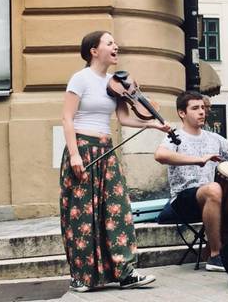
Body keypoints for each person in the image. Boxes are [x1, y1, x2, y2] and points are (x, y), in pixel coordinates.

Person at [60, 31, 168, 292]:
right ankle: (82, 277)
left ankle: (126, 272)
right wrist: (74, 154)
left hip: (106, 151)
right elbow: (67, 118)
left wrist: (152, 123)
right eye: (109, 43)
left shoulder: (115, 83)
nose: (116, 46)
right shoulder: (80, 78)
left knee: (118, 211)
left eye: (115, 43)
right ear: (94, 51)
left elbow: (124, 118)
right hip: (83, 149)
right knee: (82, 216)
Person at [154, 91, 228, 272]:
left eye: (203, 108)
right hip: (184, 199)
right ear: (182, 113)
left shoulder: (215, 138)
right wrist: (198, 159)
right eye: (195, 108)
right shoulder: (175, 136)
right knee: (213, 188)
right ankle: (215, 255)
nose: (202, 112)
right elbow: (160, 155)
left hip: (215, 196)